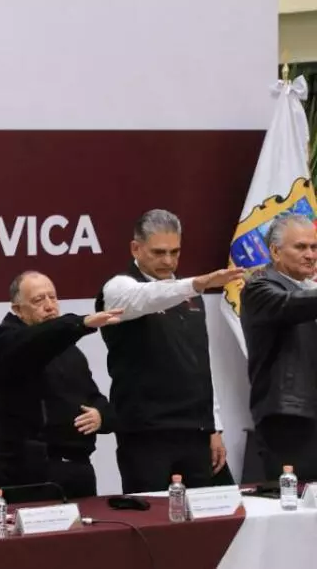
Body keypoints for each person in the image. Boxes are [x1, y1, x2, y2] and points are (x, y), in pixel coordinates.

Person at [96, 209, 242, 493]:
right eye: (158, 252)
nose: (168, 261)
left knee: (209, 513)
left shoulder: (189, 294)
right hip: (147, 432)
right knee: (152, 514)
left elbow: (200, 364)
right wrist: (196, 284)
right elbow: (147, 297)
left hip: (195, 430)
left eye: (175, 252)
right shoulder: (119, 287)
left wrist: (214, 427)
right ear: (135, 248)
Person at [0, 271, 124, 503]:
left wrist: (100, 415)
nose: (49, 306)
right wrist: (81, 323)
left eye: (53, 297)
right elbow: (37, 340)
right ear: (17, 309)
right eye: (38, 300)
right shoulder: (4, 339)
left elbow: (93, 397)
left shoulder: (69, 349)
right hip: (28, 470)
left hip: (77, 466)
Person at [241, 213, 317, 481]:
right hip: (289, 417)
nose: (310, 255)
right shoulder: (259, 287)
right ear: (275, 251)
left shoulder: (309, 289)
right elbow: (290, 305)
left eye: (314, 247)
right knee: (294, 498)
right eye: (301, 247)